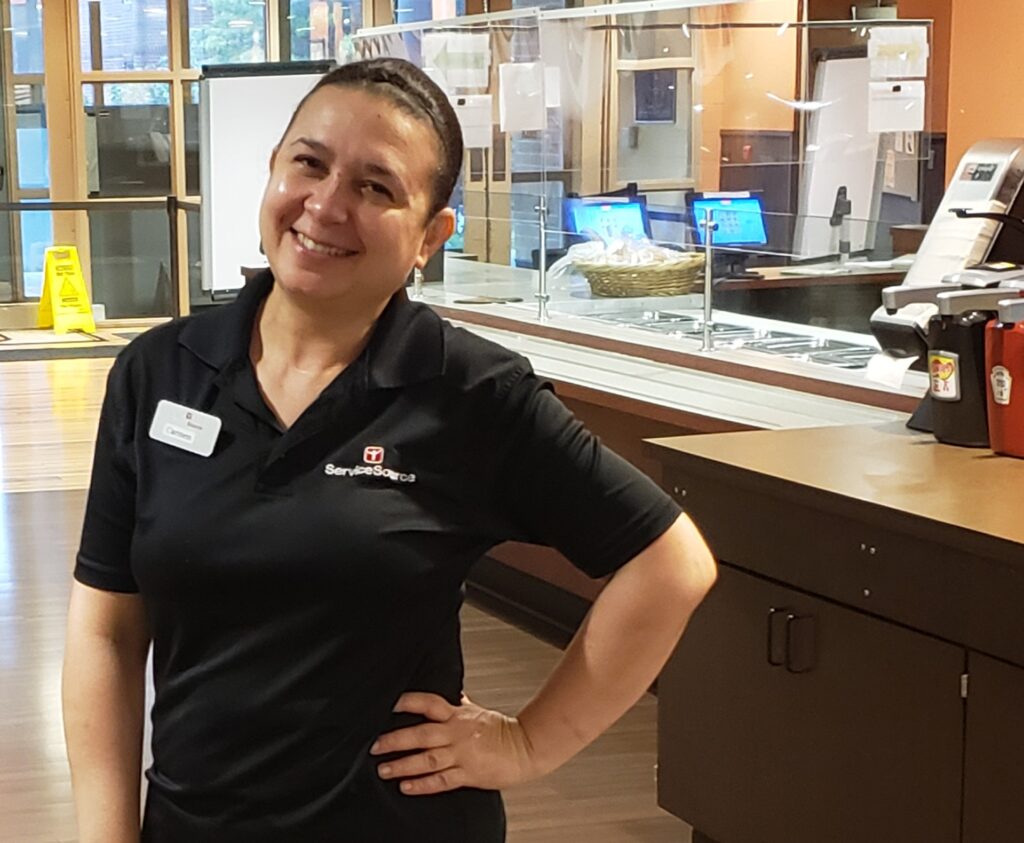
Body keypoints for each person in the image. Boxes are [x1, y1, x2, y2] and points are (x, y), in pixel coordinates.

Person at [62, 58, 717, 843]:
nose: (327, 205)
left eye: (376, 187)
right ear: (272, 169)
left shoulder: (471, 392)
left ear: (429, 236)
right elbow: (105, 628)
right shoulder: (160, 371)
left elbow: (671, 563)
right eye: (309, 162)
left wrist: (531, 741)